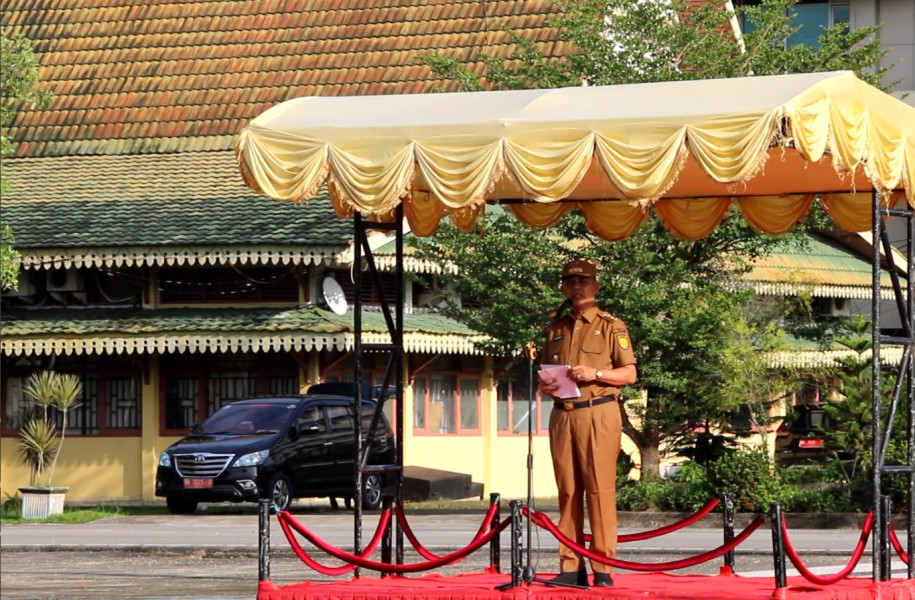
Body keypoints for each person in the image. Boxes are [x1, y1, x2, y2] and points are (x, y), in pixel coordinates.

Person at [537, 259, 638, 588]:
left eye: (584, 281)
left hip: (599, 412)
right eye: (570, 282)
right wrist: (545, 385)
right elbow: (547, 370)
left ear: (596, 287)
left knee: (599, 490)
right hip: (563, 414)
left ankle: (603, 566)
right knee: (568, 491)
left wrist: (596, 373)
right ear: (563, 289)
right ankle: (570, 566)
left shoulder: (612, 326)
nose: (577, 287)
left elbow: (629, 374)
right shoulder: (556, 328)